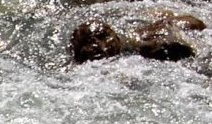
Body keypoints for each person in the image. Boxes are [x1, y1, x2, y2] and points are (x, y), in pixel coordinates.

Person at [72, 14, 205, 64]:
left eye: (102, 37)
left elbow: (187, 50)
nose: (100, 45)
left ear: (116, 38)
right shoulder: (85, 55)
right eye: (90, 41)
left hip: (188, 27)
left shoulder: (147, 47)